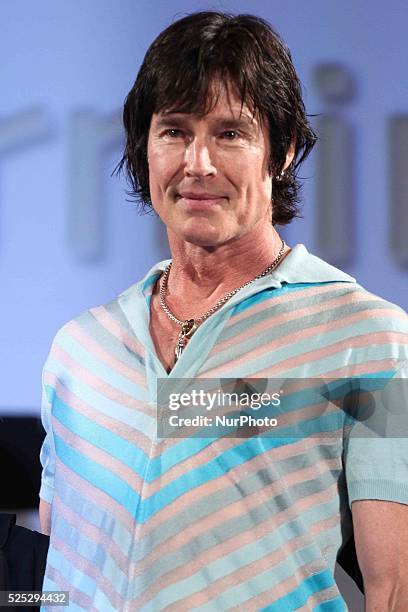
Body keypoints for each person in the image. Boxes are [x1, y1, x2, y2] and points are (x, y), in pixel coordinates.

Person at [39, 11, 408, 611]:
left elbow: (395, 588)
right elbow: (48, 576)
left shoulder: (370, 338)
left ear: (283, 151)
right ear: (144, 148)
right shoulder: (81, 349)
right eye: (175, 131)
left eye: (230, 133)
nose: (199, 164)